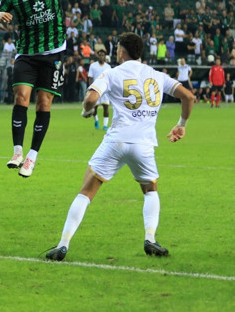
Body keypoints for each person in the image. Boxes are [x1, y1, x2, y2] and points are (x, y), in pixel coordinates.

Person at [45, 33, 194, 261]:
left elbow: (91, 99)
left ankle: (63, 244)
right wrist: (181, 124)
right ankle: (150, 239)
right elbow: (188, 97)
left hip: (116, 141)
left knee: (86, 191)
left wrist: (86, 110)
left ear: (122, 51)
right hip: (143, 145)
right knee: (150, 191)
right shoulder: (157, 75)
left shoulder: (112, 73)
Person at [0, 0, 109, 178]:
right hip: (26, 54)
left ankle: (32, 156)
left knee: (44, 103)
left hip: (53, 55)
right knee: (21, 98)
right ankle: (17, 151)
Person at [87, 49, 112, 130]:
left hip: (105, 90)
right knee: (95, 108)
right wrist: (90, 88)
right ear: (97, 56)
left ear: (105, 56)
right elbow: (90, 77)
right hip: (96, 89)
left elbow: (110, 79)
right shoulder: (93, 66)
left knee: (106, 107)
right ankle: (96, 120)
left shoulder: (108, 67)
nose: (101, 56)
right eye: (100, 55)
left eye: (103, 55)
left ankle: (105, 125)